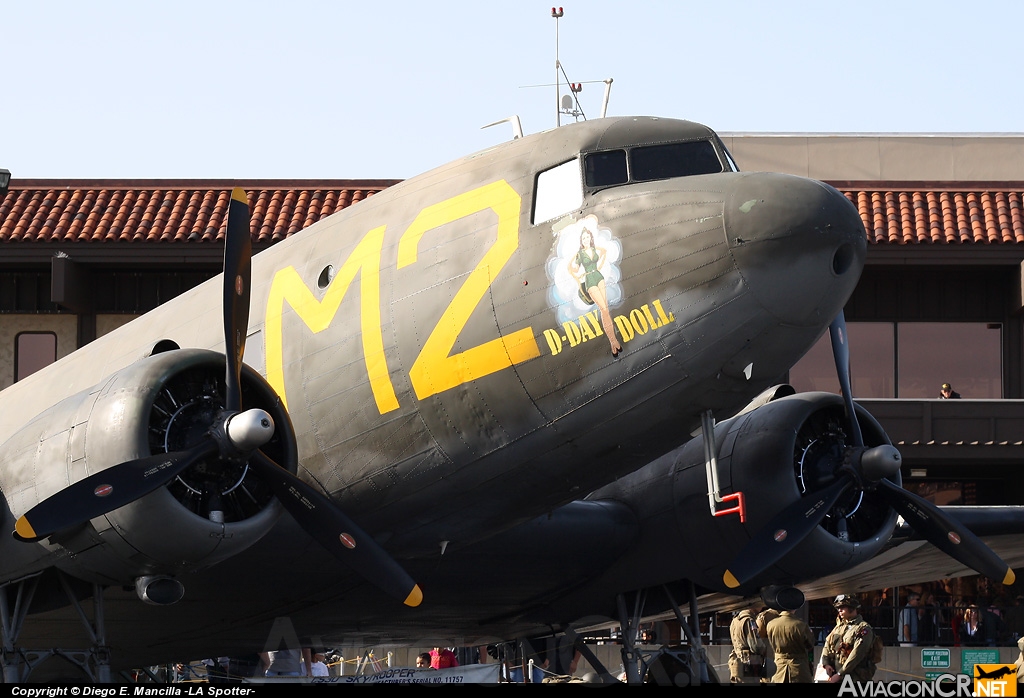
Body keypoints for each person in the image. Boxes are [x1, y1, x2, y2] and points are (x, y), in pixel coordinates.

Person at [568, 221, 622, 357]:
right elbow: (574, 267)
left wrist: (601, 263)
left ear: (590, 238)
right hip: (590, 280)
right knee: (603, 310)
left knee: (606, 309)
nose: (586, 240)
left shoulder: (593, 249)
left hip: (599, 277)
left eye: (587, 237)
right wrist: (574, 270)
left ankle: (614, 344)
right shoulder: (580, 254)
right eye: (583, 238)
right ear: (581, 240)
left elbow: (603, 253)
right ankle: (613, 342)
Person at [821, 594, 878, 683]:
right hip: (838, 676)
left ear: (852, 608)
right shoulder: (839, 627)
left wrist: (840, 673)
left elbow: (857, 655)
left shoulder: (863, 628)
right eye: (838, 608)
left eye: (843, 607)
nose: (839, 610)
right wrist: (826, 663)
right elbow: (827, 644)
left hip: (855, 677)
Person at [766, 608, 815, 683]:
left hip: (779, 666)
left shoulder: (771, 624)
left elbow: (770, 642)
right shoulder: (800, 625)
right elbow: (810, 644)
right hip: (798, 668)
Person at [728, 603, 768, 683]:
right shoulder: (749, 620)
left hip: (737, 663)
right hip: (748, 666)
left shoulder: (735, 620)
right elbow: (756, 646)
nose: (762, 607)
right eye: (761, 605)